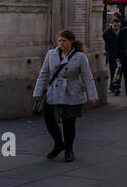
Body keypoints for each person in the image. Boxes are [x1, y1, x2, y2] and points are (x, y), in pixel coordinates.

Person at [32, 29, 98, 162]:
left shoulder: (79, 56)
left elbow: (87, 76)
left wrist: (92, 95)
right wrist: (38, 92)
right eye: (59, 41)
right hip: (54, 91)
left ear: (71, 41)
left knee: (69, 123)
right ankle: (58, 144)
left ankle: (69, 149)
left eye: (64, 41)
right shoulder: (51, 54)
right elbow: (44, 73)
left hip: (72, 91)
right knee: (49, 121)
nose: (61, 43)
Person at [102, 15, 123, 94]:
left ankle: (117, 85)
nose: (116, 27)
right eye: (115, 25)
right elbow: (103, 41)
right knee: (112, 71)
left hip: (120, 56)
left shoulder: (122, 32)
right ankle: (112, 85)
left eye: (118, 25)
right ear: (111, 24)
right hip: (111, 55)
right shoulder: (107, 32)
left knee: (119, 72)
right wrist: (106, 50)